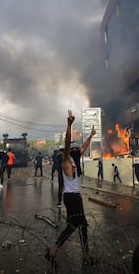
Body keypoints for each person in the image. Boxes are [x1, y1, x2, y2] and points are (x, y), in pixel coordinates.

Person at [45, 110, 96, 268]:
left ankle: (53, 251)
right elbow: (68, 143)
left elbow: (83, 147)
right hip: (72, 197)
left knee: (75, 226)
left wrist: (91, 136)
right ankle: (85, 256)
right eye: (73, 150)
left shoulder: (74, 160)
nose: (76, 151)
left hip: (74, 196)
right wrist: (68, 125)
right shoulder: (66, 161)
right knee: (81, 226)